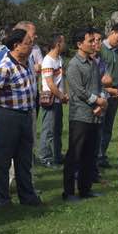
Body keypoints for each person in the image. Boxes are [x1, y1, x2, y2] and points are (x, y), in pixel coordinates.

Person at [0, 27, 42, 207]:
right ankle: (2, 197)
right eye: (28, 43)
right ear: (16, 45)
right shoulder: (5, 66)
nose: (31, 46)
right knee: (4, 157)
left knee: (25, 157)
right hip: (8, 115)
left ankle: (27, 195)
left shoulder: (28, 62)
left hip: (26, 114)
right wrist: (0, 109)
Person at [62, 27, 106, 201]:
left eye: (95, 41)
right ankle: (68, 191)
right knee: (75, 154)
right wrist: (97, 100)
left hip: (94, 115)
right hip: (80, 115)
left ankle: (85, 189)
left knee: (90, 153)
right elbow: (78, 90)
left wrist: (101, 101)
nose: (94, 44)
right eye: (90, 41)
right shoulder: (73, 64)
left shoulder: (93, 63)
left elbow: (98, 85)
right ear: (80, 44)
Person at [95, 24, 118, 174]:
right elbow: (97, 73)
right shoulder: (100, 49)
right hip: (103, 92)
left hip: (115, 92)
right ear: (112, 33)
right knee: (99, 125)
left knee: (108, 126)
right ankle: (95, 156)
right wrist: (108, 89)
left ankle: (102, 155)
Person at [35, 33, 66, 170]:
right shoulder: (48, 61)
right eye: (63, 42)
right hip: (51, 100)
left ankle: (57, 155)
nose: (65, 44)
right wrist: (61, 96)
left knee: (57, 129)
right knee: (48, 129)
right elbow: (49, 83)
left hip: (58, 100)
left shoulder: (59, 59)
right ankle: (45, 157)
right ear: (58, 44)